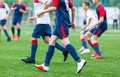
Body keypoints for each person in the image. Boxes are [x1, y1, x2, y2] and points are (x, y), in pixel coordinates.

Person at [35, 0, 87, 73]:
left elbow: (54, 8)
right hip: (61, 22)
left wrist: (42, 12)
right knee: (52, 41)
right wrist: (72, 22)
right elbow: (73, 8)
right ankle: (45, 65)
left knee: (64, 41)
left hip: (61, 22)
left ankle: (79, 61)